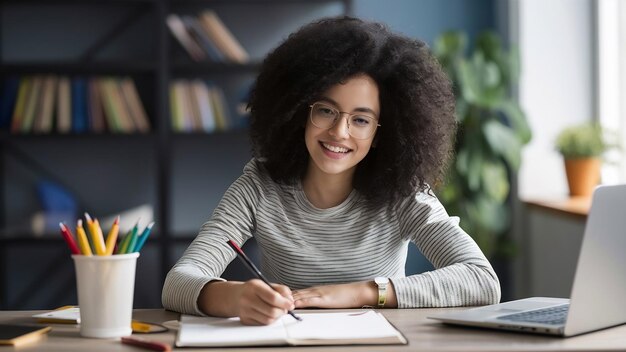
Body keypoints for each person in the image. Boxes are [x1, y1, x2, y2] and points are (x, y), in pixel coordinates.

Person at [162, 16, 501, 326]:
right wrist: (236, 297)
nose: (340, 132)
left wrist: (363, 293)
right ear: (297, 111)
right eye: (326, 111)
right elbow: (178, 282)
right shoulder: (259, 186)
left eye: (361, 119)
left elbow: (481, 279)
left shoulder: (403, 193)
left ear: (382, 132)